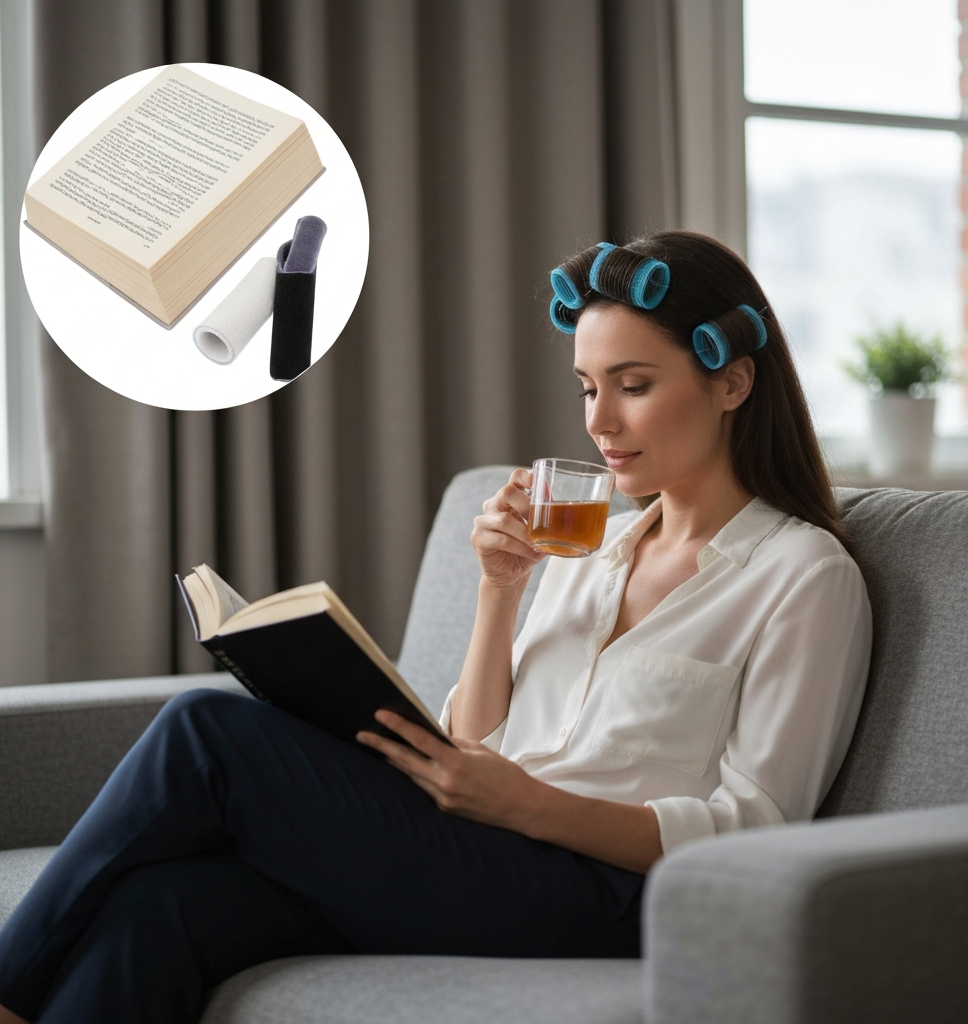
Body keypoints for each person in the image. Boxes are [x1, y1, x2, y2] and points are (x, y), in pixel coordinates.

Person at [0, 231, 871, 1024]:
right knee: (165, 909)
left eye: (634, 387)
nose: (599, 423)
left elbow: (759, 828)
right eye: (587, 388)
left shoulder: (803, 576)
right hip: (486, 852)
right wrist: (499, 590)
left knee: (205, 729)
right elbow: (476, 743)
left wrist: (531, 804)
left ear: (732, 381)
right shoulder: (592, 546)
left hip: (618, 897)